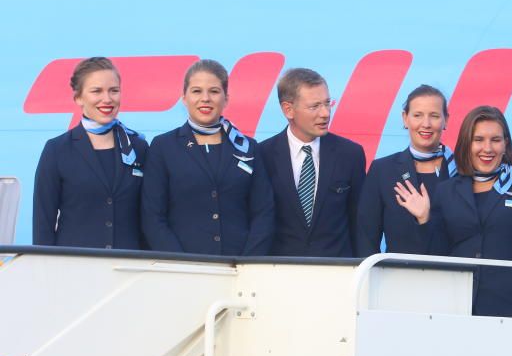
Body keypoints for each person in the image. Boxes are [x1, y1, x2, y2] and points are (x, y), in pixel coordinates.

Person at [395, 105, 512, 318]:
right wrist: (424, 218)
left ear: (505, 144)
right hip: (451, 307)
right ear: (467, 143)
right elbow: (436, 249)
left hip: (504, 307)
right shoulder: (447, 189)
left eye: (495, 140)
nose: (487, 148)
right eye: (479, 140)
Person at [142, 59, 274, 255]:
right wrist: (179, 262)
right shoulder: (163, 146)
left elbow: (264, 213)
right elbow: (152, 216)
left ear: (226, 98)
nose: (205, 98)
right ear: (184, 98)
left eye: (214, 91)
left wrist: (247, 262)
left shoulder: (248, 147)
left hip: (238, 268)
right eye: (196, 91)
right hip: (182, 268)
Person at [33, 57, 147, 249]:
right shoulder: (57, 150)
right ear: (78, 98)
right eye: (97, 91)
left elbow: (149, 215)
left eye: (114, 91)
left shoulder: (138, 147)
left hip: (129, 268)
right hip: (76, 268)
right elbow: (43, 223)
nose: (107, 99)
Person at [258, 68, 366, 257]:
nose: (325, 113)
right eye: (314, 106)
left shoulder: (350, 154)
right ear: (288, 110)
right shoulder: (262, 155)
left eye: (327, 103)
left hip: (336, 272)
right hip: (279, 272)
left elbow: (359, 222)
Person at [355, 84, 456, 257]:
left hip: (454, 278)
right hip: (396, 279)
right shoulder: (383, 171)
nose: (426, 124)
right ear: (405, 118)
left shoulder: (461, 170)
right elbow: (366, 238)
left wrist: (426, 217)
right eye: (417, 115)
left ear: (445, 119)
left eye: (434, 116)